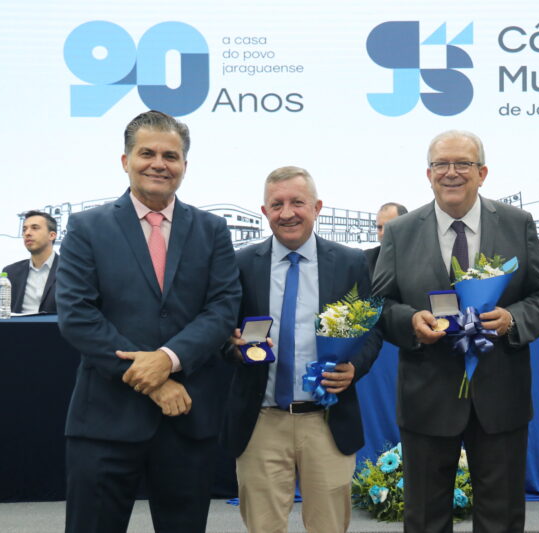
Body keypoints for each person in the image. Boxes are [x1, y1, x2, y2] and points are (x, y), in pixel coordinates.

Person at [56, 110, 241, 533]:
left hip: (187, 421)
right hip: (104, 420)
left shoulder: (212, 230)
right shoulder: (87, 227)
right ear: (126, 161)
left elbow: (222, 309)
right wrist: (154, 379)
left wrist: (168, 359)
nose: (159, 164)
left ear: (184, 166)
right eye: (147, 153)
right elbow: (78, 315)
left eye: (170, 156)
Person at [373, 130, 539, 533]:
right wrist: (410, 322)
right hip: (427, 397)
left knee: (501, 518)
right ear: (428, 174)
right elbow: (380, 304)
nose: (451, 172)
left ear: (482, 173)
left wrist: (512, 320)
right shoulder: (401, 231)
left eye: (463, 164)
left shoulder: (517, 224)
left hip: (501, 396)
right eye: (441, 164)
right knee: (425, 519)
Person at [221, 166, 381, 533]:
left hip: (327, 420)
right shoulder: (240, 264)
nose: (287, 213)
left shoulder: (350, 262)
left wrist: (354, 367)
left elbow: (373, 330)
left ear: (317, 207)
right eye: (276, 204)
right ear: (264, 211)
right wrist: (233, 347)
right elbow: (220, 332)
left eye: (297, 202)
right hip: (260, 420)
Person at [2, 210, 59, 314]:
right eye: (24, 229)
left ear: (52, 235)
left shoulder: (70, 270)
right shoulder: (10, 272)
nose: (27, 233)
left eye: (35, 228)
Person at [364, 202, 408, 276]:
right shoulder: (366, 259)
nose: (382, 233)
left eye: (388, 227)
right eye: (379, 227)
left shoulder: (421, 258)